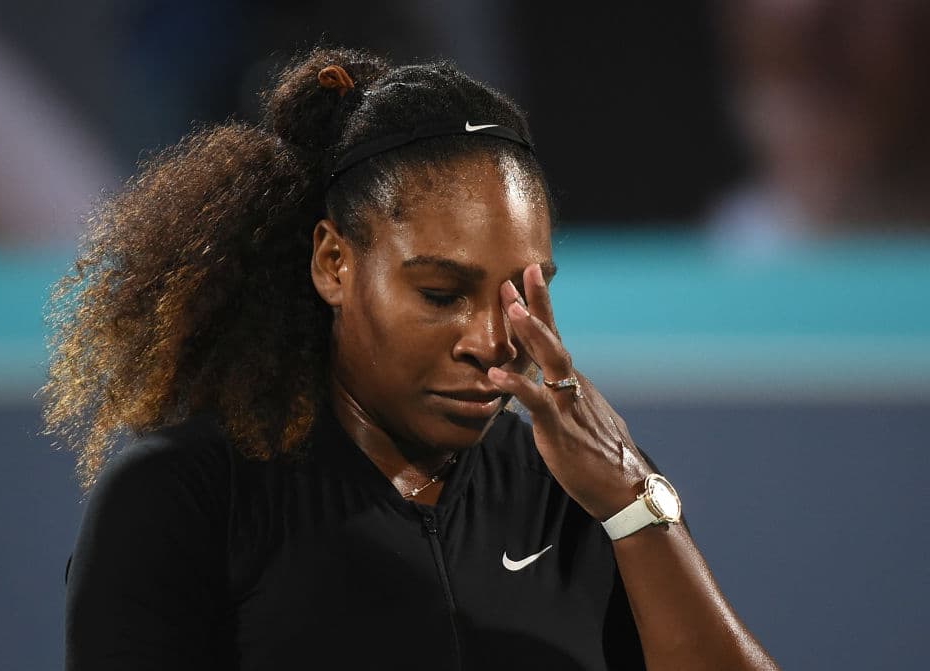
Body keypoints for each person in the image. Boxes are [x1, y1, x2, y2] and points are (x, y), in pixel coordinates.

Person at [46, 46, 780, 670]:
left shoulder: (584, 493)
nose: (491, 341)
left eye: (522, 296)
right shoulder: (184, 494)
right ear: (334, 263)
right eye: (440, 293)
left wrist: (635, 506)